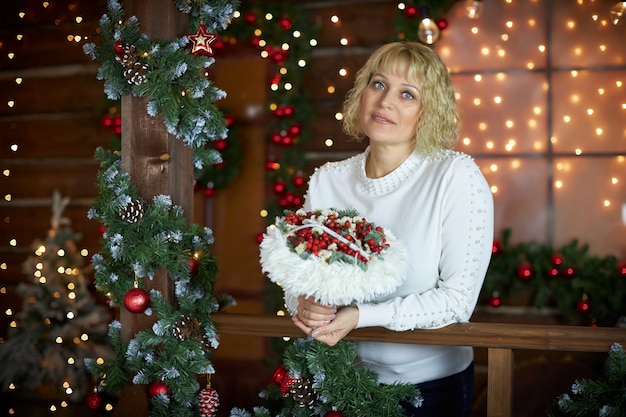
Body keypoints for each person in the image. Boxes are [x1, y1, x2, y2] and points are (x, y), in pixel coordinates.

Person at [285, 41, 494, 417]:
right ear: (362, 94)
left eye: (408, 94)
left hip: (429, 389)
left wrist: (360, 316)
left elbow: (458, 302)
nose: (385, 103)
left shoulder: (454, 175)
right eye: (378, 84)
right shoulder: (327, 181)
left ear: (428, 112)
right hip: (341, 379)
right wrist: (303, 304)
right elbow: (298, 276)